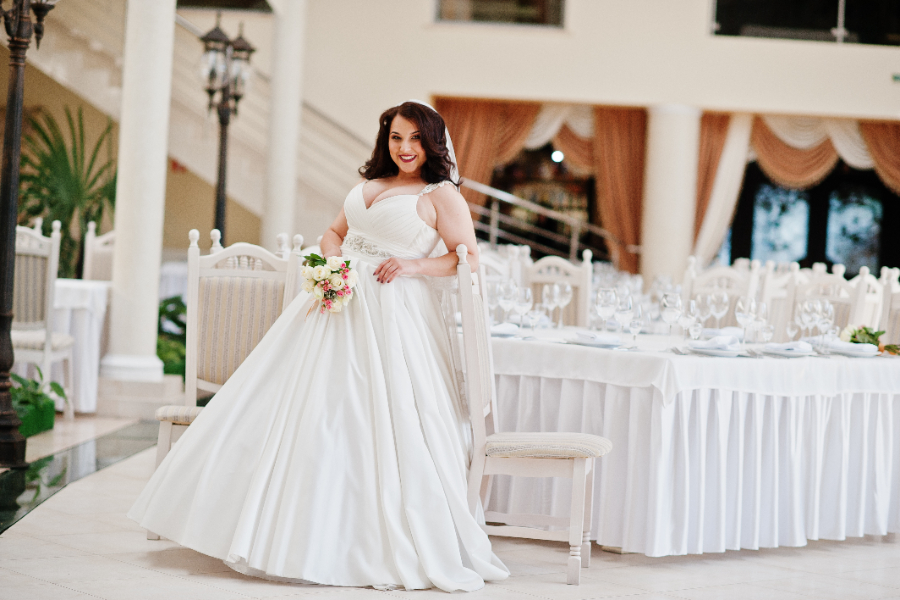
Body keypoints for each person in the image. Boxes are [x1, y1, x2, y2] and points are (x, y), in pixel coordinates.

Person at [128, 101, 510, 593]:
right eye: (396, 138)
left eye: (415, 139)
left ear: (432, 142)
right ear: (385, 140)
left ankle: (344, 541)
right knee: (291, 410)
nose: (405, 148)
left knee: (363, 418)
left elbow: (469, 259)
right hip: (332, 305)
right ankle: (262, 527)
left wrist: (412, 266)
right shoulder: (368, 186)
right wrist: (333, 265)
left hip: (392, 317)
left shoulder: (442, 195)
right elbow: (334, 233)